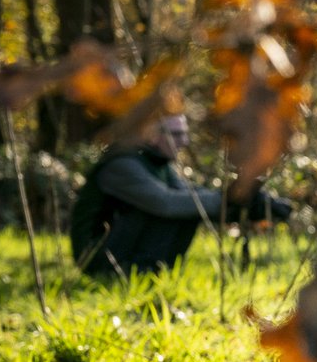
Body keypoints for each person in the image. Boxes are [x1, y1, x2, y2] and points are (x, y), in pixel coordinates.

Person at [70, 112, 291, 280]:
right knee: (180, 208)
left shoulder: (155, 162)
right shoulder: (123, 165)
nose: (184, 141)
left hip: (119, 247)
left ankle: (153, 272)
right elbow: (167, 203)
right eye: (176, 134)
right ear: (151, 135)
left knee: (188, 207)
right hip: (97, 259)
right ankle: (135, 273)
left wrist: (246, 203)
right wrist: (230, 200)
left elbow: (190, 194)